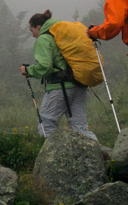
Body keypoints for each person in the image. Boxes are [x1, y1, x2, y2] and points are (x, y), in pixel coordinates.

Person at [20, 10, 98, 140]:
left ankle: (49, 158)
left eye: (32, 31)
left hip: (59, 87)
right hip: (79, 83)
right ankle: (96, 155)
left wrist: (28, 70)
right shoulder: (61, 34)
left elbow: (45, 66)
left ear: (38, 27)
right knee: (80, 126)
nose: (33, 35)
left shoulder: (44, 38)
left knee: (46, 122)